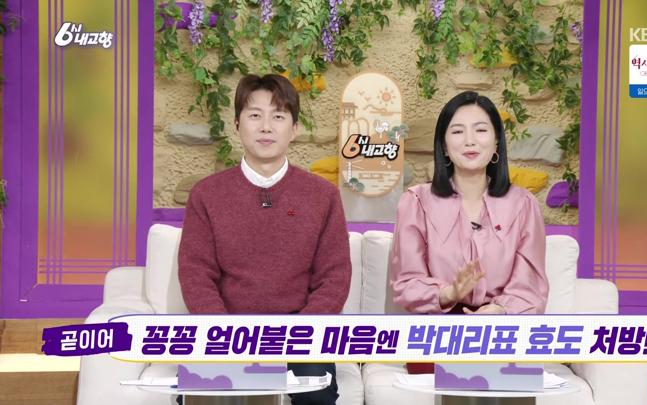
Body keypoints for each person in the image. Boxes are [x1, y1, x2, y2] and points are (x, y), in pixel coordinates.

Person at [178, 73, 352, 404]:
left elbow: (335, 277)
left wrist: (300, 334)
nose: (266, 127)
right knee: (201, 396)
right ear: (237, 124)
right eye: (255, 115)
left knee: (317, 397)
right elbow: (196, 275)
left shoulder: (323, 196)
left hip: (300, 333)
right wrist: (225, 334)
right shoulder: (206, 195)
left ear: (294, 129)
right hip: (227, 330)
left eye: (279, 116)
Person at [390, 91, 549, 372]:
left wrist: (500, 310)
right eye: (457, 131)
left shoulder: (523, 204)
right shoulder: (416, 201)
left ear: (496, 141)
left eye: (481, 130)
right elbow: (407, 282)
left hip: (499, 329)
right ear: (444, 145)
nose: (470, 141)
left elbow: (530, 287)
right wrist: (449, 292)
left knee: (502, 373)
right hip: (436, 329)